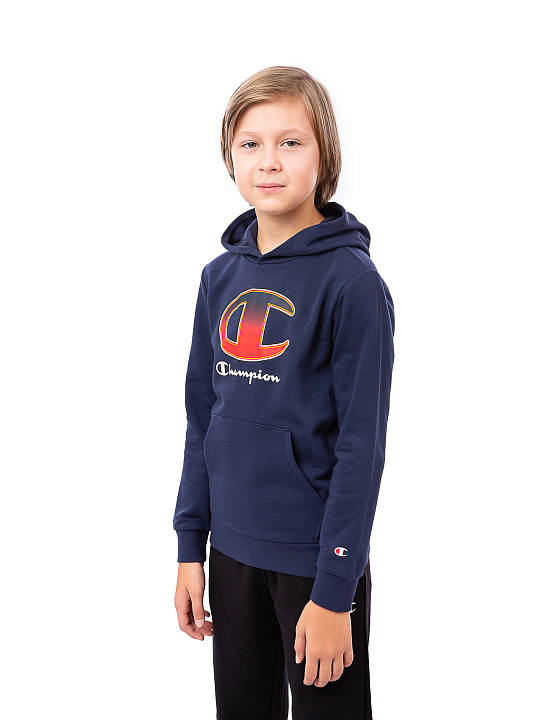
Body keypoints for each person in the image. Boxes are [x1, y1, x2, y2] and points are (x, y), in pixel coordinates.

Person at [173, 65, 395, 720]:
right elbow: (202, 418)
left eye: (290, 142)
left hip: (314, 564)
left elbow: (360, 449)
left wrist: (335, 591)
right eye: (251, 143)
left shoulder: (353, 284)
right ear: (230, 157)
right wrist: (190, 547)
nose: (268, 161)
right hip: (229, 553)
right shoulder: (219, 277)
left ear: (325, 154)